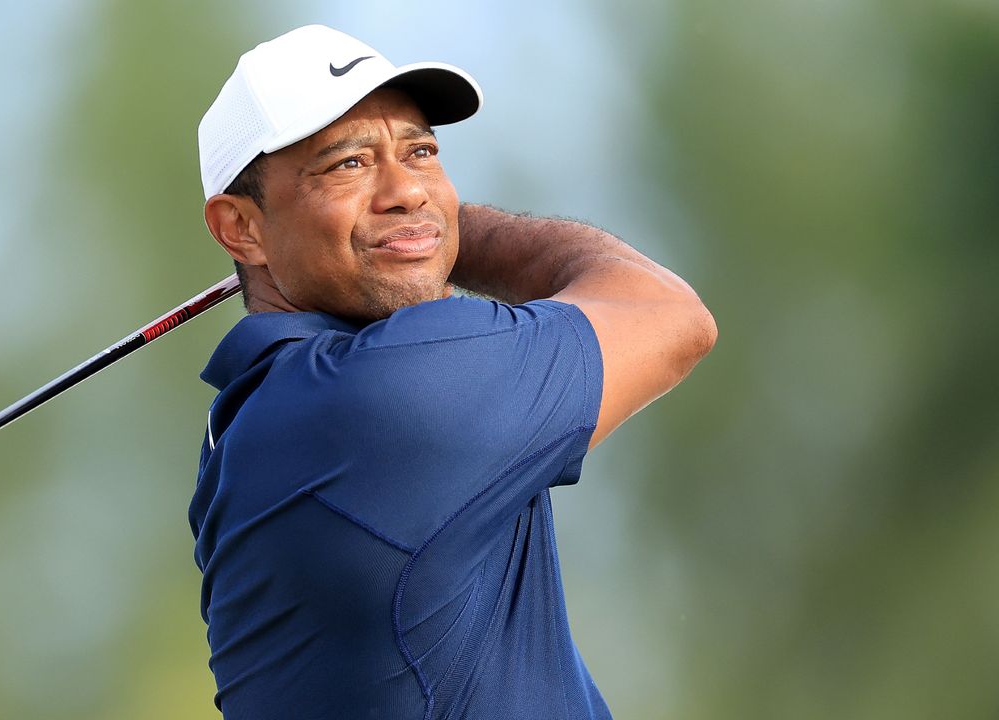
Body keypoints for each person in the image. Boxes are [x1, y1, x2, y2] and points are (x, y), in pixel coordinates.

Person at [189, 24, 716, 719]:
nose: (406, 188)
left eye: (422, 152)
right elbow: (669, 313)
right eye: (348, 164)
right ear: (240, 227)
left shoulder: (254, 419)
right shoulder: (384, 394)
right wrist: (441, 231)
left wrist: (414, 228)